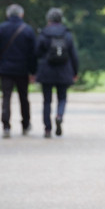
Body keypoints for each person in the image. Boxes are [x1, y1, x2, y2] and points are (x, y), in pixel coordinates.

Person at [0, 4, 37, 138]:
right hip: (22, 70)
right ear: (21, 15)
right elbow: (33, 53)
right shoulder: (27, 30)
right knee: (24, 98)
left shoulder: (1, 29)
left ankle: (6, 126)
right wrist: (33, 72)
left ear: (8, 15)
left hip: (5, 69)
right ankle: (25, 124)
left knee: (6, 97)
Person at [35, 7, 79, 138]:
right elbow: (73, 56)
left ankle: (47, 129)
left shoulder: (43, 34)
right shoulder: (67, 34)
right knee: (62, 98)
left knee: (47, 101)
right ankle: (59, 115)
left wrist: (33, 71)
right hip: (64, 71)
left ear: (48, 19)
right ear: (61, 19)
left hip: (46, 71)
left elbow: (36, 53)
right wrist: (75, 72)